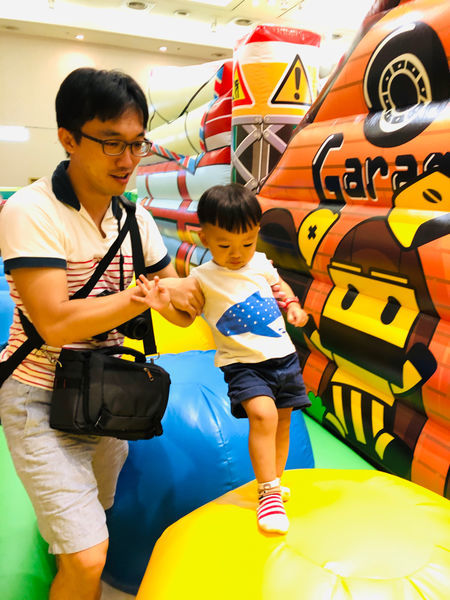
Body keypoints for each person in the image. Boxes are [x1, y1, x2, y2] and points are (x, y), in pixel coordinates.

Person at [0, 67, 202, 600]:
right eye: (112, 142)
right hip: (39, 397)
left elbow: (177, 310)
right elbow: (54, 321)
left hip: (107, 397)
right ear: (68, 139)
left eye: (137, 144)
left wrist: (207, 288)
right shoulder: (31, 210)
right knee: (89, 556)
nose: (128, 160)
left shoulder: (135, 219)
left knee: (93, 520)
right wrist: (141, 296)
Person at [134, 183, 311, 535]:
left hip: (283, 359)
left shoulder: (260, 263)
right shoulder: (201, 278)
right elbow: (185, 318)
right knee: (263, 415)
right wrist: (162, 306)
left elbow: (280, 288)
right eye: (225, 245)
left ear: (256, 233)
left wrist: (292, 305)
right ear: (204, 237)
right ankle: (268, 493)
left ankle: (275, 480)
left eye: (247, 243)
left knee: (283, 423)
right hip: (243, 365)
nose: (237, 254)